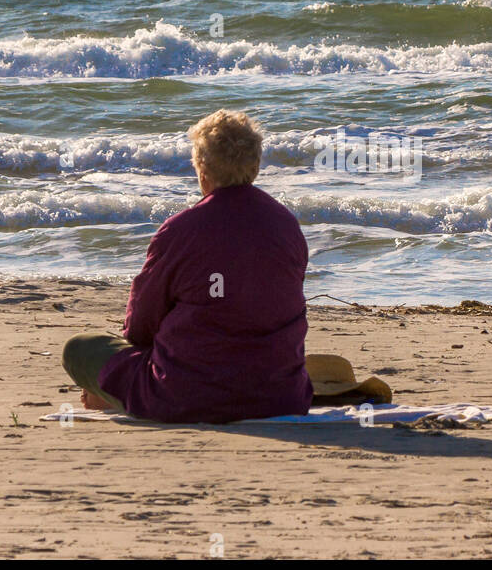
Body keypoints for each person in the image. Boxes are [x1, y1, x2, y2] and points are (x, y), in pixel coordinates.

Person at [61, 110, 313, 422]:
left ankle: (116, 394)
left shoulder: (180, 230)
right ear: (256, 166)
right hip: (280, 397)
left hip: (183, 397)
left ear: (202, 169)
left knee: (80, 348)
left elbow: (140, 324)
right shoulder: (287, 226)